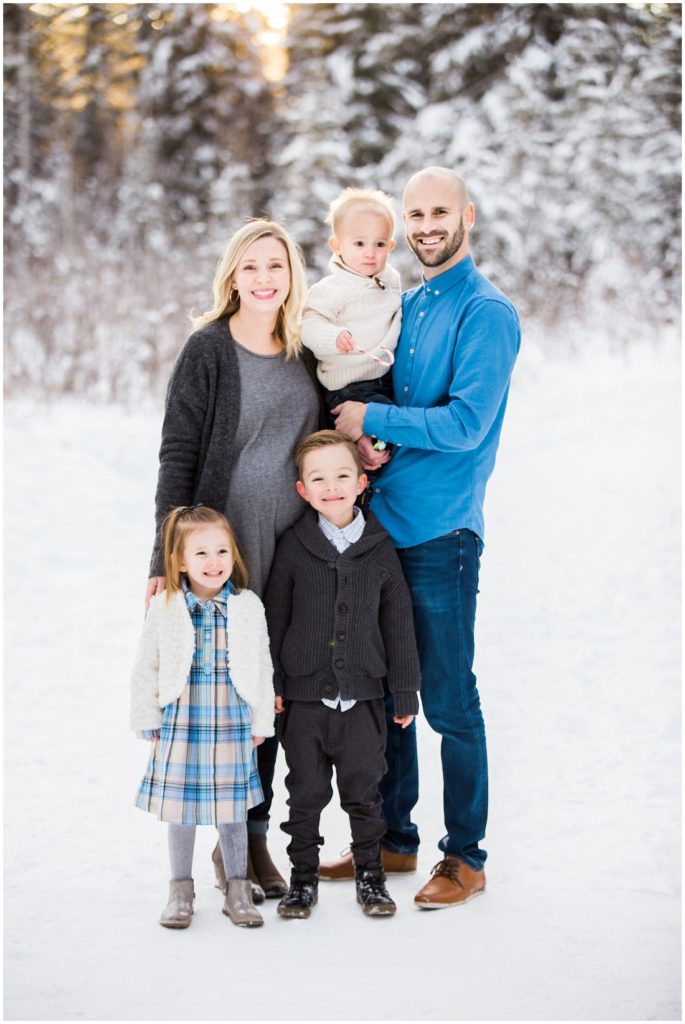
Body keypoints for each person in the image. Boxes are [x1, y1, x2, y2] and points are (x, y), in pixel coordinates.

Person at [329, 166, 521, 909]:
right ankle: (395, 840)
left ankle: (464, 857)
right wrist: (372, 449)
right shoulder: (407, 303)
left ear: (466, 215)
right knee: (388, 694)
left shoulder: (484, 311)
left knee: (446, 699)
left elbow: (466, 423)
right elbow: (398, 407)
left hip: (442, 536)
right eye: (415, 213)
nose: (425, 225)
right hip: (384, 528)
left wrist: (371, 422)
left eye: (439, 211)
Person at [144, 218, 323, 898]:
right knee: (225, 695)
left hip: (292, 550)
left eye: (275, 265)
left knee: (271, 699)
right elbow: (177, 453)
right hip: (225, 552)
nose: (263, 278)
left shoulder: (301, 352)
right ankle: (225, 841)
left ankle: (252, 838)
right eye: (250, 267)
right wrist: (163, 556)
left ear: (290, 275)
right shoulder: (207, 351)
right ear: (232, 277)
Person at [263, 430, 421, 918]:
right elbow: (274, 618)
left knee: (365, 794)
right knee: (304, 795)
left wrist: (404, 691)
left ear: (361, 482)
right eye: (318, 478)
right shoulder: (295, 546)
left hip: (364, 701)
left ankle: (370, 877)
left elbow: (398, 622)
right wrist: (272, 686)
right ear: (303, 490)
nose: (331, 486)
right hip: (305, 702)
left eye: (341, 476)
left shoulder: (379, 547)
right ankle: (302, 879)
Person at [131, 505, 276, 929]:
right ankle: (180, 889)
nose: (214, 563)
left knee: (232, 810)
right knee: (181, 810)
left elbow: (261, 666)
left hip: (231, 719)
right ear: (178, 561)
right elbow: (147, 665)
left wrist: (262, 721)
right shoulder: (167, 606)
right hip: (183, 720)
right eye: (200, 554)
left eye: (222, 552)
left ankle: (236, 887)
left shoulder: (247, 606)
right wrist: (147, 714)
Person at [300, 187, 400, 470]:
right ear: (337, 246)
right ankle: (368, 454)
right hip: (347, 386)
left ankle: (369, 458)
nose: (370, 253)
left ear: (390, 247)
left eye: (379, 244)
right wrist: (333, 337)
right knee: (379, 421)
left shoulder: (390, 281)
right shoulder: (332, 289)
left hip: (381, 377)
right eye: (359, 244)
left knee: (389, 417)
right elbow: (309, 324)